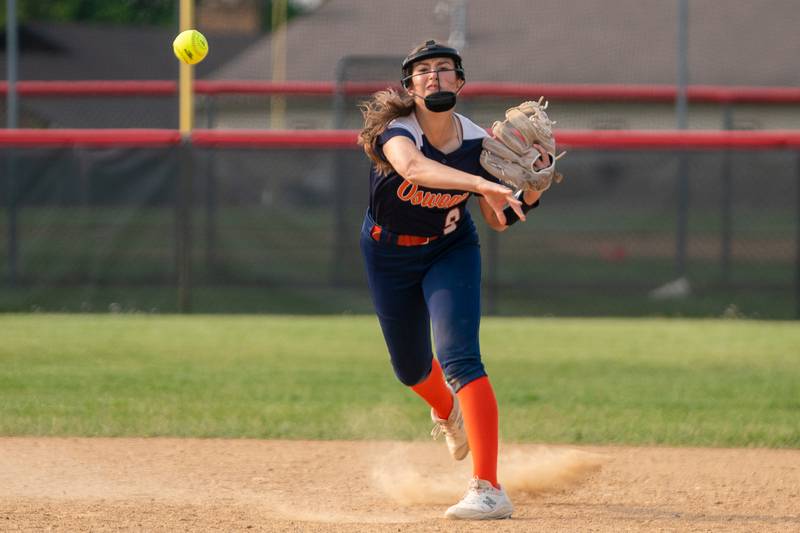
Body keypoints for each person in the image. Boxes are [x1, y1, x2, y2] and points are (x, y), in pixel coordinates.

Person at [357, 40, 552, 520]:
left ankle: (488, 488)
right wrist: (482, 182)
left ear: (459, 82)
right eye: (423, 71)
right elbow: (412, 168)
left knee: (459, 355)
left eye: (445, 69)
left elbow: (498, 219)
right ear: (410, 87)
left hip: (450, 250)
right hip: (388, 253)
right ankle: (448, 412)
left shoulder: (477, 144)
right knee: (410, 369)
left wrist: (527, 191)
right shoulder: (395, 131)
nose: (434, 77)